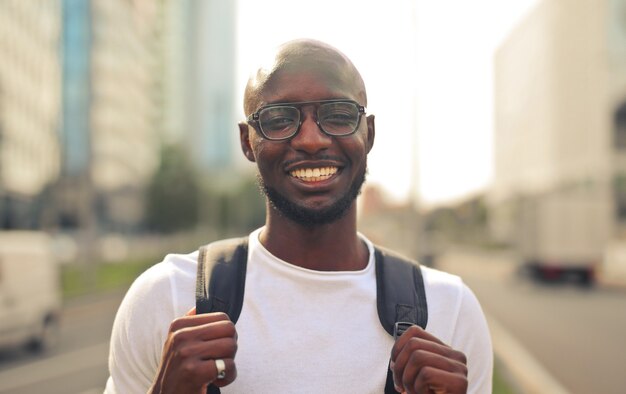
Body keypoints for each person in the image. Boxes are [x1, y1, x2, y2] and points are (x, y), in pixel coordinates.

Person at [104, 38, 492, 394]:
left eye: (338, 115)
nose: (310, 140)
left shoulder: (448, 309)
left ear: (368, 134)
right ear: (247, 143)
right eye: (278, 119)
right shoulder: (166, 296)